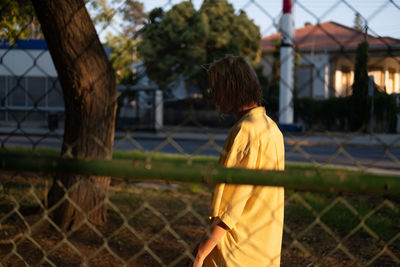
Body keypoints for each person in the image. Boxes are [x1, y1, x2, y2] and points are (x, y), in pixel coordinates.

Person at [193, 55, 285, 267]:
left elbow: (231, 209)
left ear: (232, 87)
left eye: (216, 87)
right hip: (264, 249)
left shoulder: (245, 130)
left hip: (234, 253)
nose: (213, 94)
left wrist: (200, 254)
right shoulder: (271, 128)